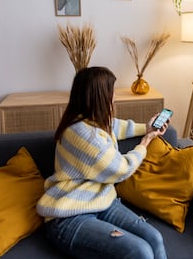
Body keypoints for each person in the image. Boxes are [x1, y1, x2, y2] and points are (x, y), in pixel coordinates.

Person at [36, 66, 168, 259]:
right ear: (100, 96)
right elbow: (121, 169)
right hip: (69, 217)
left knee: (155, 238)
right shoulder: (81, 133)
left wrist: (147, 129)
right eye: (111, 92)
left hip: (103, 203)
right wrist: (145, 142)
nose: (114, 97)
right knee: (141, 252)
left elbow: (118, 126)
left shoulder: (93, 121)